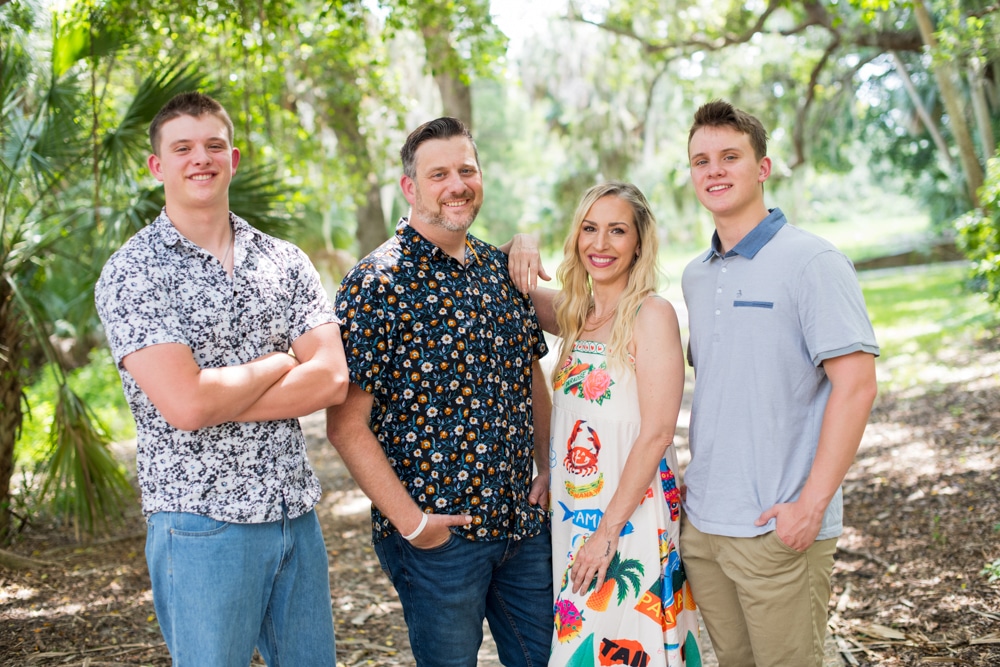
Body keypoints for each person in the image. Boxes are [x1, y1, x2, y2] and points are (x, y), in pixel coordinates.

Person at [95, 91, 348, 666]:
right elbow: (184, 405)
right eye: (182, 147)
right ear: (158, 166)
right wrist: (280, 363)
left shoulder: (283, 259)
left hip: (293, 515)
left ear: (233, 158)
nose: (200, 158)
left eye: (213, 145)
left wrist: (214, 395)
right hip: (200, 523)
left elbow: (332, 378)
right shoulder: (134, 271)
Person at [325, 117, 553, 667]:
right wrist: (415, 525)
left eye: (466, 170)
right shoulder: (377, 284)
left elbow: (529, 376)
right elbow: (345, 425)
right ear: (410, 187)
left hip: (521, 524)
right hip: (439, 541)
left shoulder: (499, 270)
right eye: (439, 174)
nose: (457, 184)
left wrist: (546, 467)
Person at [679, 99, 879, 666]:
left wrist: (810, 506)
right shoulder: (697, 274)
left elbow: (857, 386)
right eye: (701, 160)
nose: (714, 170)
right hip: (706, 527)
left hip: (779, 527)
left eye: (729, 156)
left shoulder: (812, 261)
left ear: (762, 168)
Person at [527, 182, 703, 667]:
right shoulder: (575, 314)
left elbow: (657, 433)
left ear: (639, 242)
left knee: (626, 642)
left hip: (629, 514)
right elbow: (504, 274)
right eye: (589, 229)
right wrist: (550, 468)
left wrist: (606, 533)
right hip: (573, 512)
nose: (600, 245)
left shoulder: (652, 315)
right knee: (581, 639)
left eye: (617, 231)